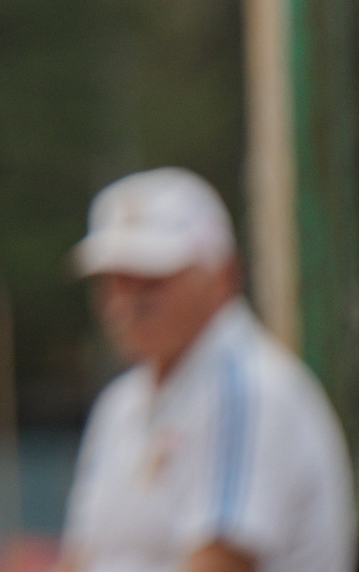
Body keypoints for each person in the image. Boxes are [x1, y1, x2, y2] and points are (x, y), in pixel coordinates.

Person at [63, 168, 354, 572]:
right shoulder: (121, 403)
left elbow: (219, 563)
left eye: (150, 278)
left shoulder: (251, 390)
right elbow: (80, 559)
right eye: (113, 280)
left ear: (221, 275)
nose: (124, 302)